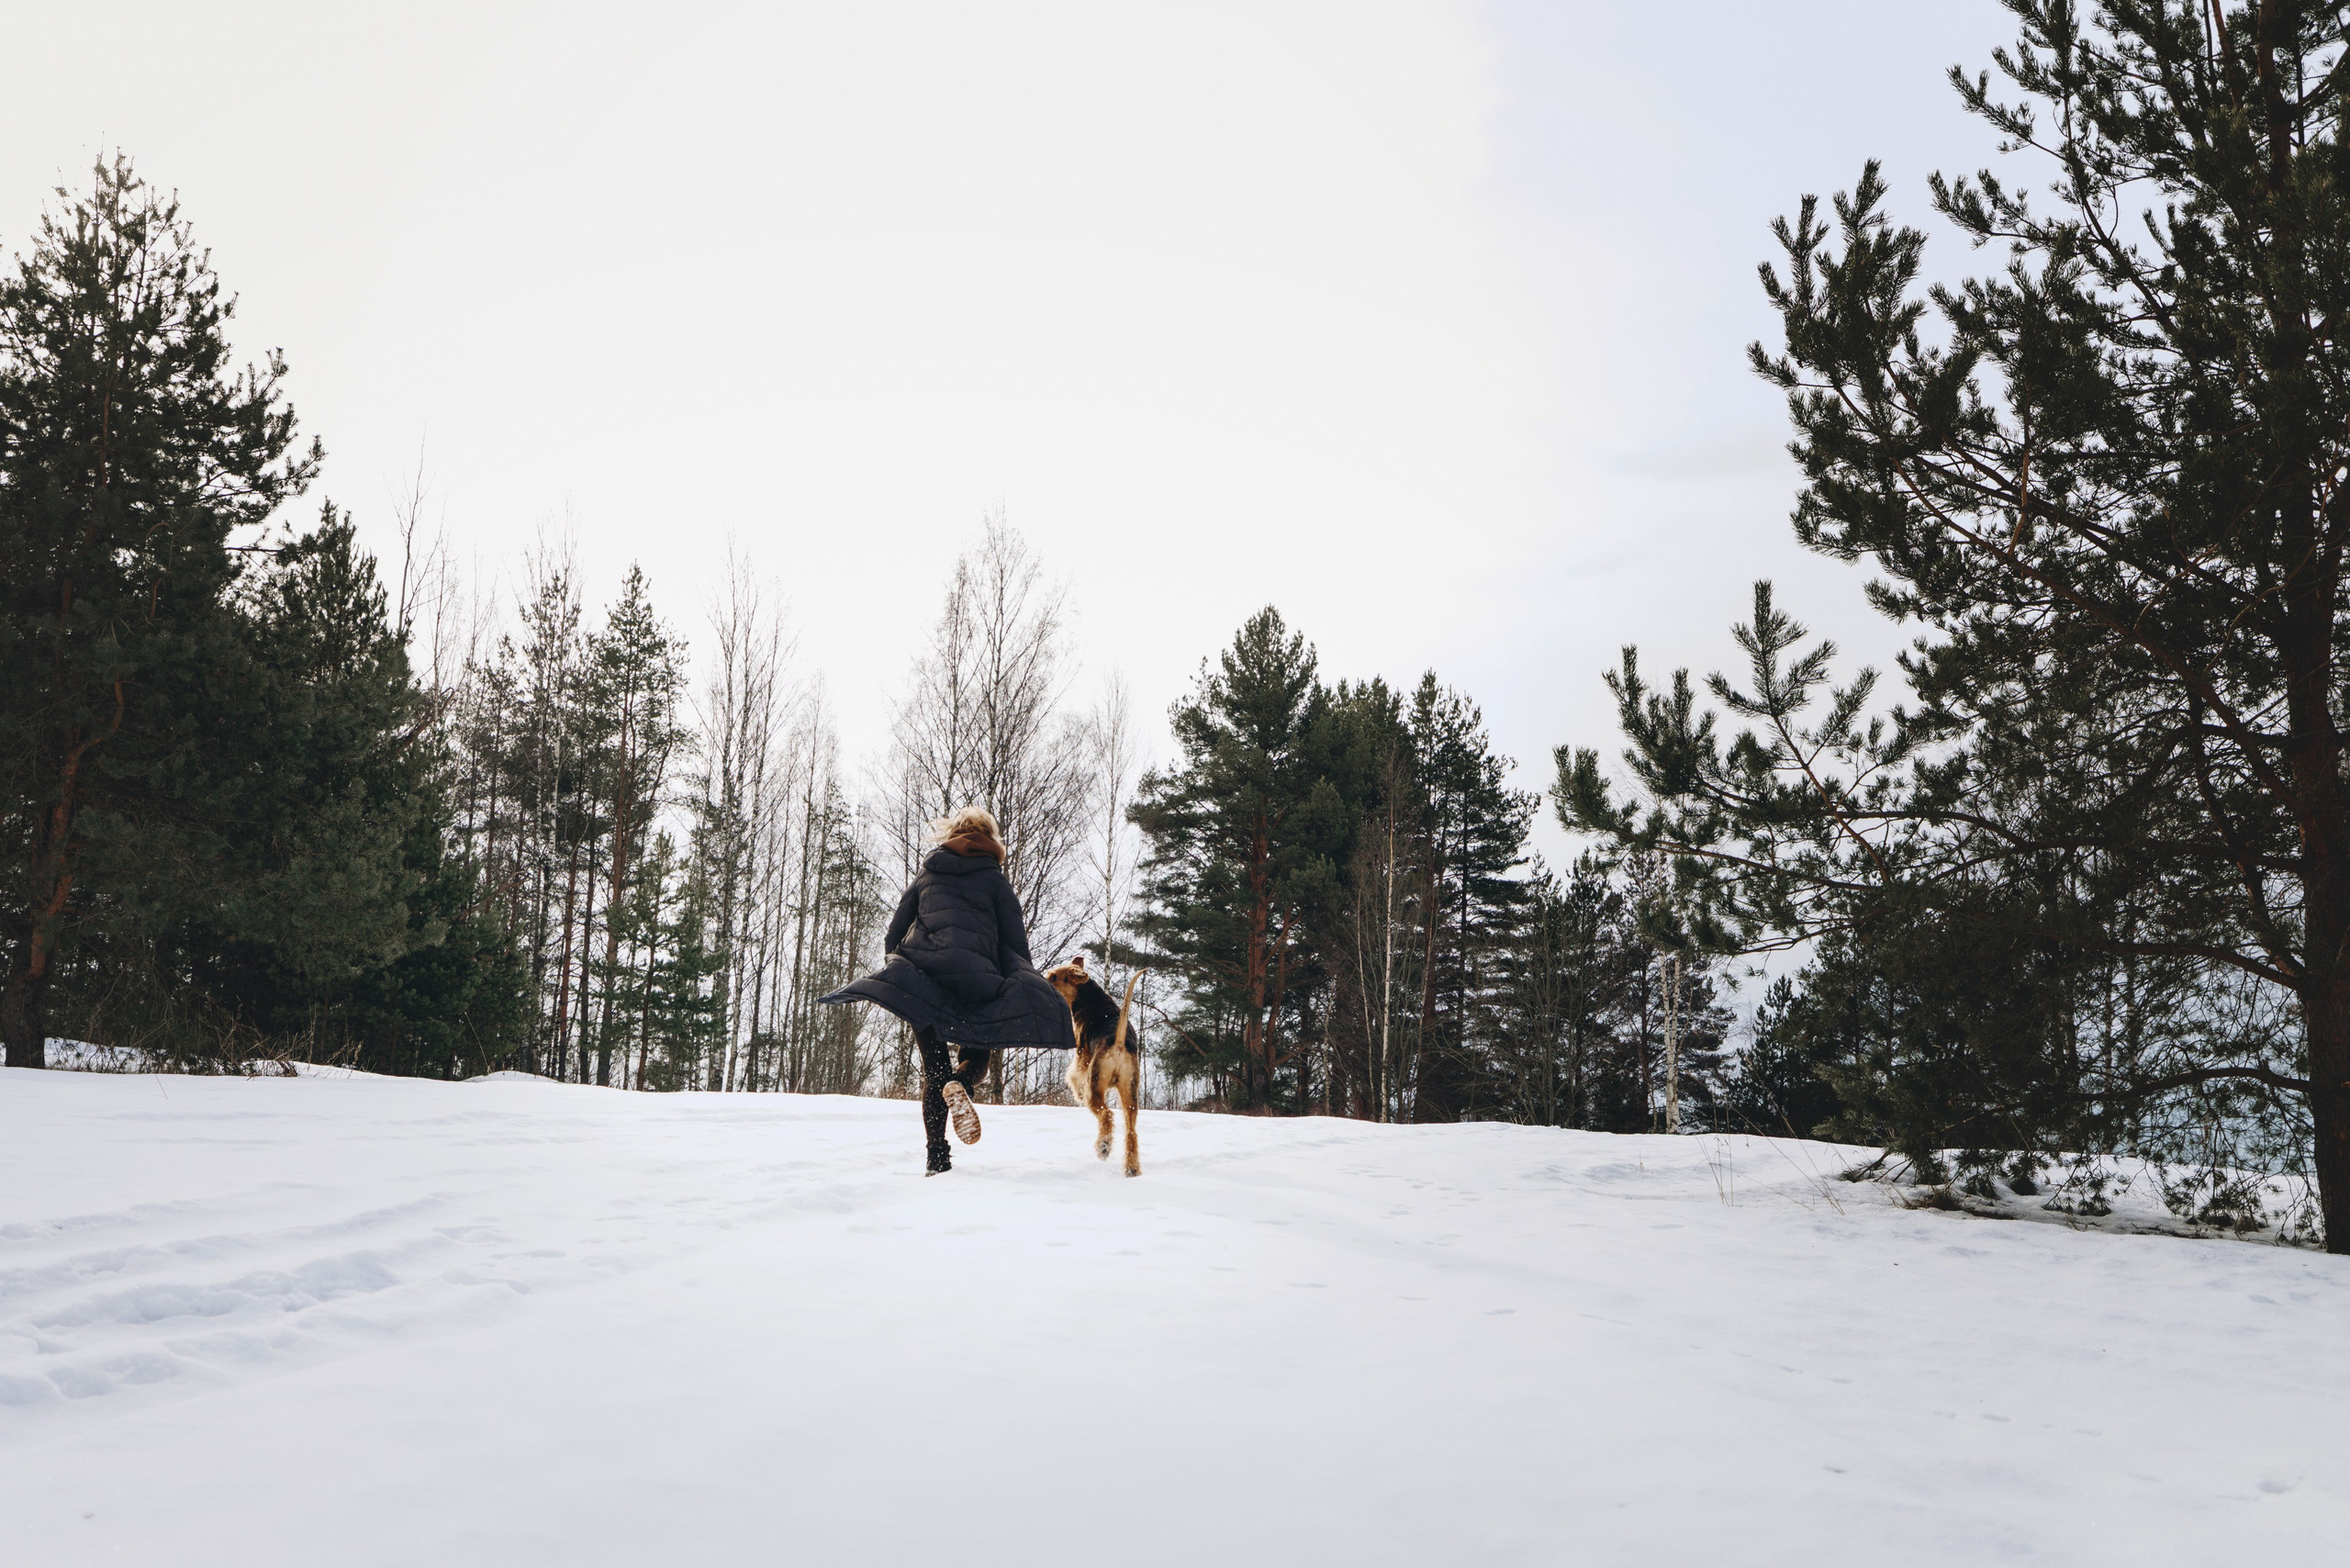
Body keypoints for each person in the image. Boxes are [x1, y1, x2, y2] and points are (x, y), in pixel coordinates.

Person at [819, 806, 1074, 1174]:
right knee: (978, 1059)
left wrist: (901, 966)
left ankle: (936, 1158)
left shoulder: (928, 873)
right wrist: (1018, 980)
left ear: (952, 833)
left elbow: (894, 932)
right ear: (991, 839)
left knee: (933, 1072)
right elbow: (1016, 944)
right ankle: (962, 1082)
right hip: (978, 982)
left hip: (922, 980)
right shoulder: (996, 881)